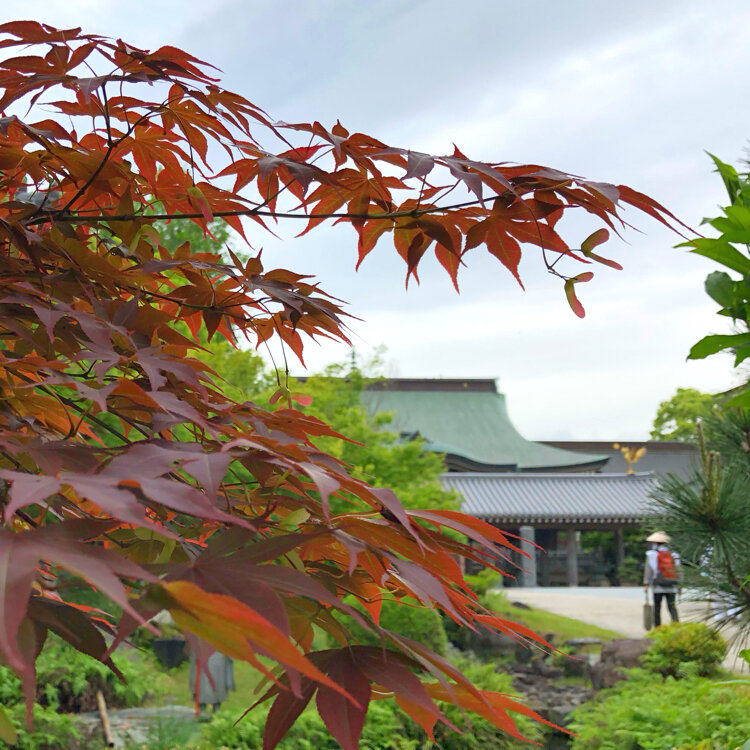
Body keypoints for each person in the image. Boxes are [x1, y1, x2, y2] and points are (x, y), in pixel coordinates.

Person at [643, 530, 680, 627]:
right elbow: (678, 571)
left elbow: (649, 571)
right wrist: (680, 586)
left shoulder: (651, 554)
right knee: (672, 607)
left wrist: (646, 584)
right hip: (672, 584)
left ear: (655, 543)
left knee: (657, 607)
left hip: (658, 585)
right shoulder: (674, 555)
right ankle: (676, 626)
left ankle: (658, 628)